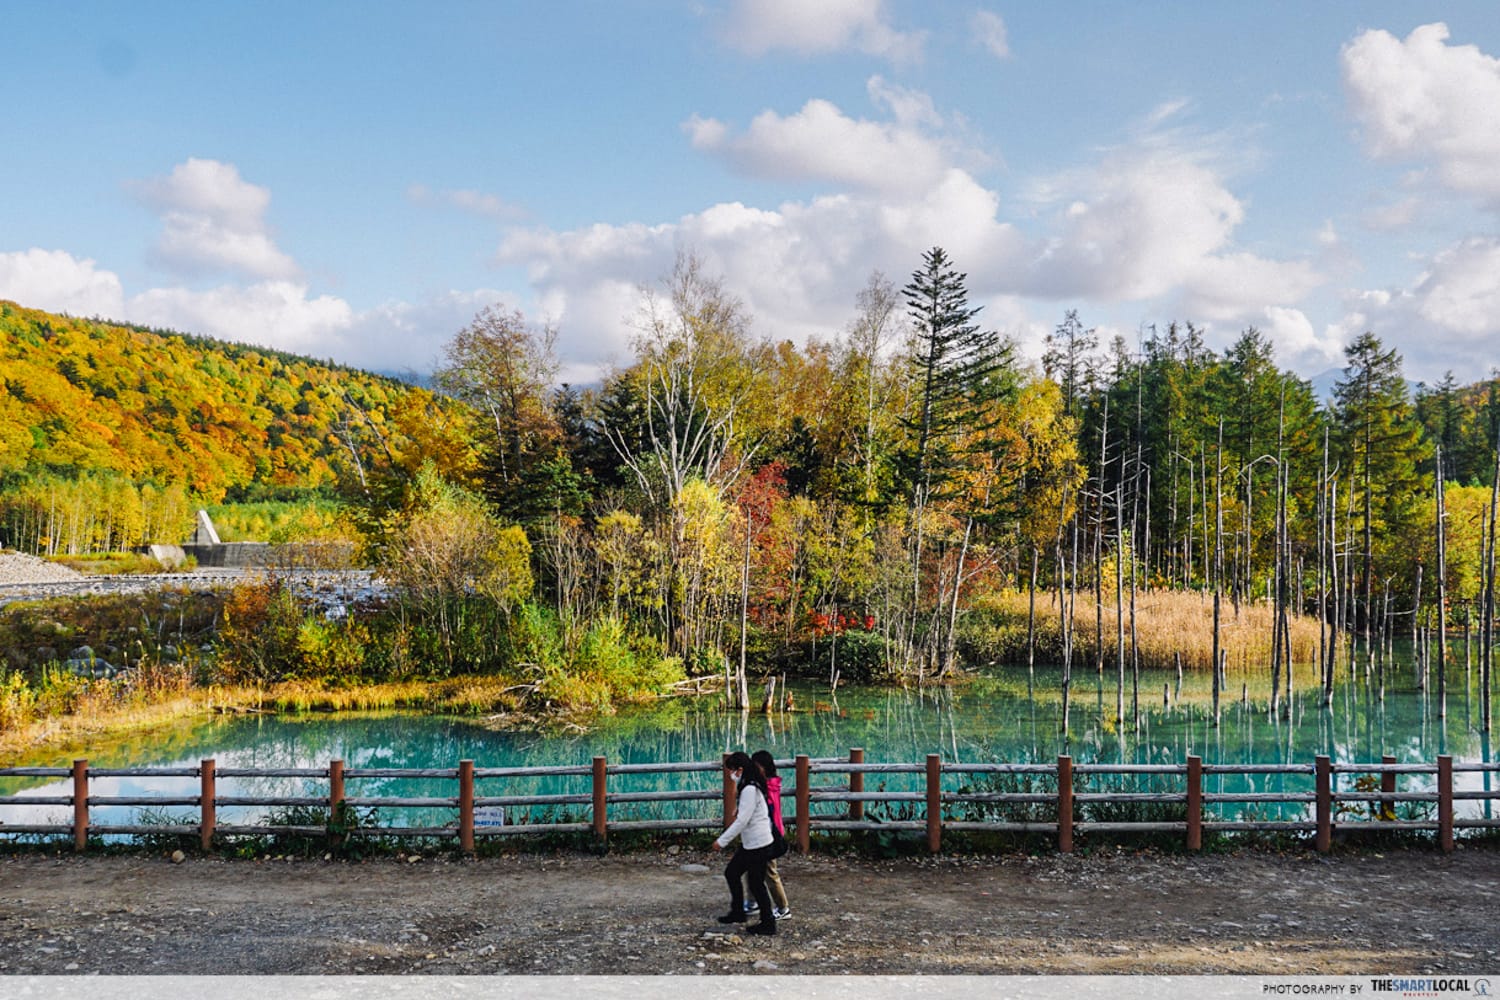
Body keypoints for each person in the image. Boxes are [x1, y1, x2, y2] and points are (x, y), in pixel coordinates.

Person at [711, 751, 776, 936]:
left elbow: (742, 822)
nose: (731, 775)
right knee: (734, 873)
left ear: (740, 770)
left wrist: (721, 841)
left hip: (758, 843)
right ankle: (739, 912)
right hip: (754, 842)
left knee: (755, 883)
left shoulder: (749, 788)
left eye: (732, 770)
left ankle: (768, 922)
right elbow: (749, 812)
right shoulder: (750, 784)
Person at [743, 749, 791, 921]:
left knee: (769, 872)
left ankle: (783, 907)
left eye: (756, 767)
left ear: (764, 768)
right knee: (751, 868)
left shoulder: (768, 787)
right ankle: (752, 901)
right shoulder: (766, 785)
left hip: (768, 835)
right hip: (760, 833)